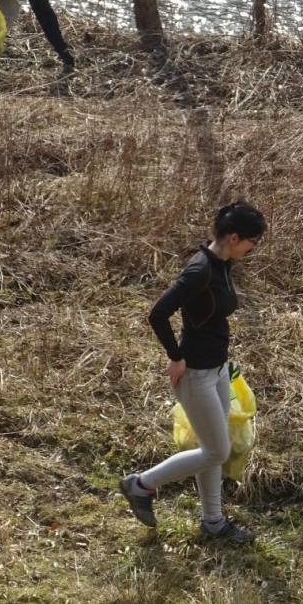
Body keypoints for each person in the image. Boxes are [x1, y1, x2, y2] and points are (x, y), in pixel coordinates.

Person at [119, 201, 268, 543]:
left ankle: (213, 521)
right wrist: (176, 357)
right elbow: (158, 314)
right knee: (217, 451)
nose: (253, 248)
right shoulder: (199, 270)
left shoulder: (223, 264)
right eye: (252, 241)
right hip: (196, 375)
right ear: (234, 237)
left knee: (212, 447)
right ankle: (140, 485)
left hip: (217, 371)